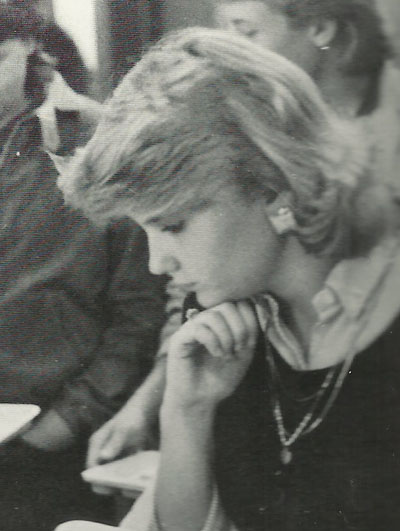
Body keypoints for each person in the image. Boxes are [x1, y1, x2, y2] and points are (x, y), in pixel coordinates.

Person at [56, 27, 400, 531]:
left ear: (275, 187)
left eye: (174, 226)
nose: (157, 264)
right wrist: (186, 408)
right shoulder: (221, 314)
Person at [0, 5, 166, 531]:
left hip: (49, 449)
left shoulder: (93, 142)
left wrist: (63, 425)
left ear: (29, 48)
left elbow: (140, 310)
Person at [214, 0, 400, 195]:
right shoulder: (252, 119)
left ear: (321, 30)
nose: (229, 52)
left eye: (247, 33)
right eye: (225, 34)